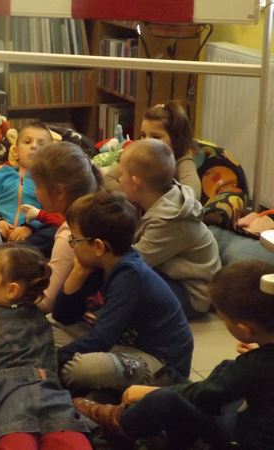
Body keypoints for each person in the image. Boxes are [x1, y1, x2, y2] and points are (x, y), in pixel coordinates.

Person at [73, 260, 274, 450]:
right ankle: (180, 435)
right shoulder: (258, 360)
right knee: (225, 369)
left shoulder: (254, 365)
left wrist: (149, 393)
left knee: (165, 399)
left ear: (245, 330)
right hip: (253, 413)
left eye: (224, 320)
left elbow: (206, 395)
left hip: (242, 438)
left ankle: (119, 422)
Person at [53, 191, 193, 392]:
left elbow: (102, 338)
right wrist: (78, 272)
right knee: (47, 326)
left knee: (81, 369)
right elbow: (62, 317)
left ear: (98, 246)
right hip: (119, 345)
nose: (72, 246)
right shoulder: (98, 265)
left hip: (158, 363)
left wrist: (53, 359)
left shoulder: (130, 277)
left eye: (74, 240)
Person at [0, 244, 91, 450]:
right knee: (71, 440)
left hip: (6, 399)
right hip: (51, 394)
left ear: (11, 290)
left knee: (15, 441)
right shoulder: (42, 320)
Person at [118, 139, 221, 318]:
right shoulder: (150, 199)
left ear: (135, 183)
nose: (118, 179)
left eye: (121, 174)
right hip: (168, 274)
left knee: (125, 286)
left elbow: (134, 263)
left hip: (191, 293)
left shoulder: (170, 220)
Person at [29, 141, 103, 313]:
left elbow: (46, 303)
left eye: (38, 186)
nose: (34, 192)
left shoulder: (70, 236)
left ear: (59, 192)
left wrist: (16, 294)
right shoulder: (97, 212)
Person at [0, 121, 56, 255]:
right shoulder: (0, 174)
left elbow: (51, 212)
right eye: (27, 142)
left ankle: (17, 252)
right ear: (16, 151)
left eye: (41, 144)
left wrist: (29, 228)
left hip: (32, 235)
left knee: (55, 233)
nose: (34, 146)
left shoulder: (49, 180)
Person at [105, 100, 201, 198]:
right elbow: (108, 179)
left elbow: (192, 195)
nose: (147, 141)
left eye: (156, 137)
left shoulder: (182, 160)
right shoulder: (140, 155)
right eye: (143, 135)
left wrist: (155, 200)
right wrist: (134, 196)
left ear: (176, 139)